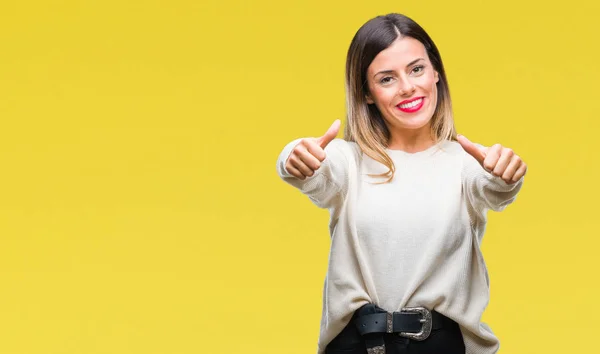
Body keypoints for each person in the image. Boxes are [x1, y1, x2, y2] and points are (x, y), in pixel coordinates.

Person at [275, 13, 526, 354]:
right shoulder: (349, 161)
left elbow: (494, 188)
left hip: (438, 346)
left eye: (416, 69)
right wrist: (295, 155)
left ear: (436, 72)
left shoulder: (465, 164)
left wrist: (505, 173)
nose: (408, 87)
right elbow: (313, 170)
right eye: (387, 78)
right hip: (356, 344)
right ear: (366, 93)